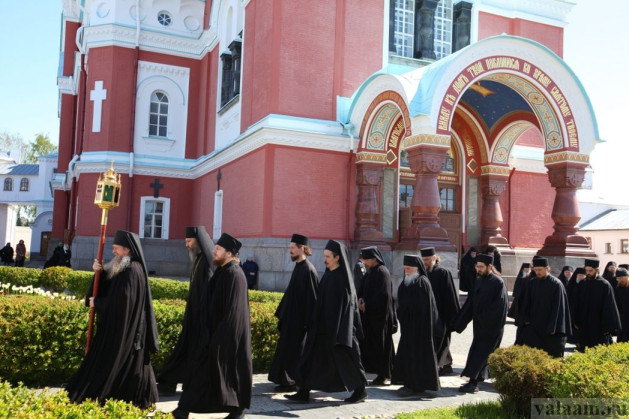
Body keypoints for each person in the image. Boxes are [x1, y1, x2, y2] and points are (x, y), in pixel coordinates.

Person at [65, 230, 159, 408]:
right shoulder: (123, 266)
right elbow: (111, 287)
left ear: (128, 250)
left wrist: (99, 303)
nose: (113, 251)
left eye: (117, 248)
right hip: (120, 327)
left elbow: (123, 301)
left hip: (126, 330)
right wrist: (98, 273)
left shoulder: (132, 270)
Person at [173, 233, 252, 419]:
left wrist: (218, 339)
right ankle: (184, 409)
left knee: (222, 375)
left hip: (224, 338)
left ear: (230, 254)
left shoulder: (234, 274)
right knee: (207, 375)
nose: (214, 251)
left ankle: (235, 411)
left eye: (218, 249)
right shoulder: (223, 271)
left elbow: (234, 312)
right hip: (213, 335)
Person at [286, 240, 368, 404]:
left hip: (337, 331)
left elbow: (345, 309)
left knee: (346, 361)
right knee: (309, 358)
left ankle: (360, 391)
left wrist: (336, 332)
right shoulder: (329, 274)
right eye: (324, 256)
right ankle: (303, 391)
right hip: (321, 329)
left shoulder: (342, 280)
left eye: (328, 257)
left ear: (337, 258)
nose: (325, 260)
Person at [157, 226, 214, 396]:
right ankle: (171, 383)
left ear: (199, 242)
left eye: (189, 241)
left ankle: (175, 383)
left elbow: (207, 295)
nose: (187, 245)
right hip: (193, 318)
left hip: (201, 320)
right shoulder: (199, 259)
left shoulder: (207, 263)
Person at [268, 233, 319, 392]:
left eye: (292, 248)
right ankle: (286, 381)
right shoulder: (299, 267)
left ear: (302, 248)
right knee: (286, 351)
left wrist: (306, 324)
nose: (290, 250)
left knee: (294, 354)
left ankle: (292, 383)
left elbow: (312, 300)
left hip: (299, 324)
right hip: (291, 320)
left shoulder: (308, 270)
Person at [453, 253, 508, 394]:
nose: (478, 269)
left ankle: (473, 382)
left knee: (481, 354)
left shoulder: (498, 282)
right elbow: (471, 303)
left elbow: (499, 307)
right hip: (479, 326)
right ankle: (477, 379)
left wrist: (484, 319)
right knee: (479, 353)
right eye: (477, 266)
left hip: (492, 327)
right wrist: (459, 322)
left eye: (481, 267)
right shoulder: (479, 280)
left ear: (490, 266)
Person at [392, 255, 442, 397]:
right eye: (405, 269)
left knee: (418, 356)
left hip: (420, 329)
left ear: (416, 268)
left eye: (409, 268)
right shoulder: (406, 282)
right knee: (408, 356)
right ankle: (409, 383)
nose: (406, 271)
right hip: (409, 328)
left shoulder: (422, 282)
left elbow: (424, 308)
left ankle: (416, 385)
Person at [357, 246, 396, 386]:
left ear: (374, 259)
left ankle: (383, 374)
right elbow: (361, 289)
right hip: (370, 316)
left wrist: (367, 305)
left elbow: (383, 296)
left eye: (367, 260)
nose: (365, 262)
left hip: (381, 318)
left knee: (382, 346)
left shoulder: (382, 272)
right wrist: (360, 299)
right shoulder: (370, 272)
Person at [518, 257, 571, 358]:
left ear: (547, 268)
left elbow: (559, 308)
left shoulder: (556, 284)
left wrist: (553, 327)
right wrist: (525, 320)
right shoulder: (532, 283)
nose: (538, 272)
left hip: (550, 329)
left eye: (540, 270)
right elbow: (526, 303)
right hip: (534, 327)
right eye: (535, 270)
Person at [421, 247, 460, 375]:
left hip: (442, 313)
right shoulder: (422, 273)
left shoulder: (443, 273)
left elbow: (450, 295)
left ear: (434, 258)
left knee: (441, 340)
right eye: (423, 259)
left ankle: (439, 366)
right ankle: (446, 365)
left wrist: (453, 317)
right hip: (427, 313)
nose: (425, 262)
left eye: (427, 259)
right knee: (436, 341)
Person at [572, 259, 621, 349]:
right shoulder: (582, 283)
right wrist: (575, 320)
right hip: (584, 324)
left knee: (597, 349)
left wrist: (607, 327)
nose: (588, 273)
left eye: (590, 271)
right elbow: (577, 303)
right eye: (586, 271)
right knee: (583, 349)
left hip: (599, 325)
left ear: (596, 270)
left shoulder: (604, 285)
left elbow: (609, 306)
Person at [508, 262, 532, 345]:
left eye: (528, 268)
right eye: (526, 268)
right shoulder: (521, 276)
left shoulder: (530, 276)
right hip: (519, 297)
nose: (527, 270)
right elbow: (517, 286)